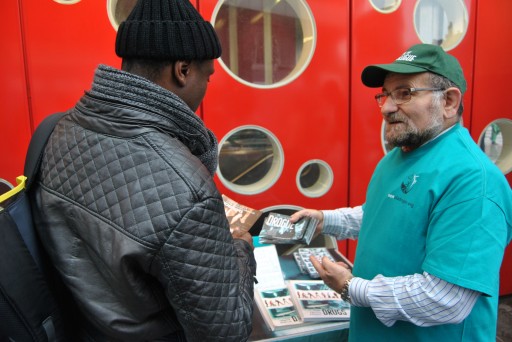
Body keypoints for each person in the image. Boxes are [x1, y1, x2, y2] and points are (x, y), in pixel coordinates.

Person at [31, 0, 256, 340]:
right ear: (182, 70)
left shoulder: (59, 130)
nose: (206, 88)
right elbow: (225, 332)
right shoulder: (188, 189)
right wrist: (240, 246)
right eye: (207, 76)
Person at [291, 43, 512, 341]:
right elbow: (383, 213)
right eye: (385, 94)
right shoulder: (398, 156)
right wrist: (325, 219)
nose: (386, 107)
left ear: (448, 101)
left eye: (405, 93)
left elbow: (445, 299)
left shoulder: (474, 181)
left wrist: (351, 287)